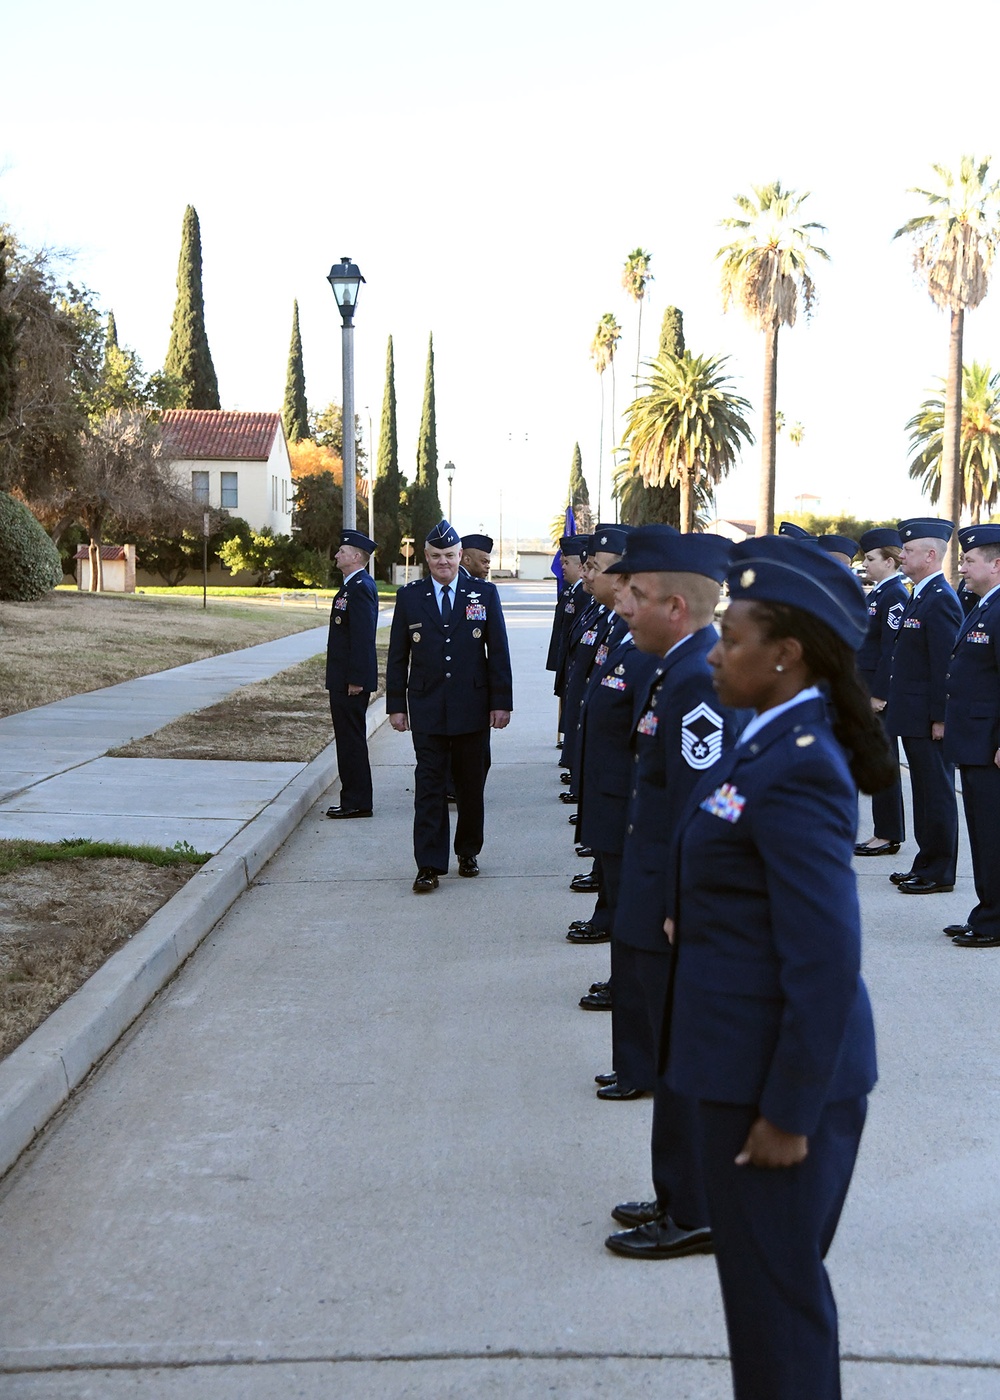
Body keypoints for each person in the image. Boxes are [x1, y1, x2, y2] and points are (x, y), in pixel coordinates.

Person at [664, 535, 893, 1400]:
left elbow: (827, 958)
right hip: (741, 1066)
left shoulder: (799, 767)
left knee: (778, 1309)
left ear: (786, 656)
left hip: (776, 1089)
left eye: (732, 638)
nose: (717, 654)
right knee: (765, 1301)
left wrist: (789, 1114)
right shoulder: (769, 738)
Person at [600, 529, 743, 1267]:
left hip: (672, 902)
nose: (627, 607)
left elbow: (704, 803)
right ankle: (677, 1192)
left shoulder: (696, 677)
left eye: (642, 597)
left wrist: (685, 904)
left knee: (683, 1065)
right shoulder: (677, 665)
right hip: (655, 889)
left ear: (677, 606)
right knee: (669, 1059)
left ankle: (694, 1210)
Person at [386, 519, 512, 892]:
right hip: (426, 707)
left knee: (471, 785)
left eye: (450, 555)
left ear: (461, 556)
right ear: (426, 557)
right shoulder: (410, 597)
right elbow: (397, 656)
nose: (444, 562)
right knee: (428, 786)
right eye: (437, 556)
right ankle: (428, 864)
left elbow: (498, 652)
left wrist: (501, 702)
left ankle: (467, 850)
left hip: (472, 707)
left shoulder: (484, 595)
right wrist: (396, 705)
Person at [884, 517, 963, 895]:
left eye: (909, 550)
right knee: (924, 792)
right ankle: (925, 861)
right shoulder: (921, 595)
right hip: (913, 715)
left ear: (931, 555)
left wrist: (940, 718)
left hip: (928, 718)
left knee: (937, 793)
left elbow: (945, 666)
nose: (902, 555)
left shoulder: (941, 600)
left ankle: (940, 871)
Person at [944, 524, 1000, 948]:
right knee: (983, 834)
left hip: (990, 744)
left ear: (996, 565)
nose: (962, 566)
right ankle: (986, 913)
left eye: (969, 560)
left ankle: (994, 920)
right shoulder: (985, 606)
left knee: (992, 833)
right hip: (976, 740)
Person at [854, 527, 908, 855]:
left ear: (889, 562)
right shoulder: (877, 593)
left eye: (871, 558)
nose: (866, 564)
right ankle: (883, 830)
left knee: (882, 760)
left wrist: (880, 693)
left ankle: (888, 834)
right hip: (867, 692)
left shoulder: (894, 596)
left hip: (878, 697)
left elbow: (892, 650)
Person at [324, 529, 379, 819]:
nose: (337, 555)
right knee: (347, 739)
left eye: (342, 552)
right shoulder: (351, 586)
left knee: (351, 740)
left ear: (356, 557)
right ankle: (354, 798)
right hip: (344, 678)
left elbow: (362, 636)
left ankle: (356, 801)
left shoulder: (360, 587)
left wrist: (356, 679)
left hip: (350, 681)